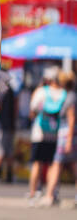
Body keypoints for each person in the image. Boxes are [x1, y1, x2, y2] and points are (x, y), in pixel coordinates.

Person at [27, 66, 68, 205]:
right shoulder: (64, 93)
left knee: (37, 163)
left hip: (39, 132)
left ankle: (32, 194)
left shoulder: (41, 92)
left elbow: (32, 110)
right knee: (52, 164)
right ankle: (51, 193)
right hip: (56, 133)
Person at [42, 69, 75, 207]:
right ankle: (51, 194)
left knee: (57, 164)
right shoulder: (69, 95)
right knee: (70, 165)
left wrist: (68, 140)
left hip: (66, 135)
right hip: (67, 134)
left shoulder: (69, 97)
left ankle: (50, 194)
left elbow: (71, 119)